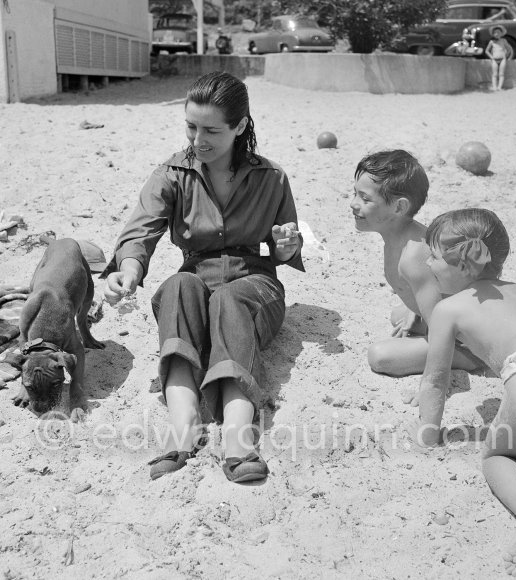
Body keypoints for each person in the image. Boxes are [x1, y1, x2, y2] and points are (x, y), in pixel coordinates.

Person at [102, 71, 304, 483]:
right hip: (197, 277)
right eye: (191, 126)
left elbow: (280, 249)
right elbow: (141, 232)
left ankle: (237, 438)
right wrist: (128, 270)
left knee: (230, 300)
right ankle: (184, 425)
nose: (198, 139)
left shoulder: (273, 178)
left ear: (240, 126)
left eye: (211, 130)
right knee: (176, 285)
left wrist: (283, 249)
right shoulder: (171, 174)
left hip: (254, 284)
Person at [409, 208, 516, 579]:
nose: (428, 262)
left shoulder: (449, 308)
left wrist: (428, 430)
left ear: (464, 266)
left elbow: (435, 380)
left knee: (499, 456)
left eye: (435, 256)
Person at [350, 149, 483, 378]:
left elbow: (442, 327)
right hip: (449, 318)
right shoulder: (401, 237)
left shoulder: (413, 257)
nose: (353, 204)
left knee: (380, 356)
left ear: (399, 207)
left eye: (365, 198)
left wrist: (431, 384)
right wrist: (418, 309)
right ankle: (427, 324)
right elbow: (432, 292)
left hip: (466, 334)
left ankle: (468, 358)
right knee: (399, 315)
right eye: (354, 194)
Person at [485, 25, 514, 91]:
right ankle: (494, 87)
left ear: (501, 34)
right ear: (493, 34)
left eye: (498, 32)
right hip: (494, 60)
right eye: (495, 32)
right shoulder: (491, 42)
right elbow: (486, 51)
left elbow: (509, 49)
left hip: (503, 59)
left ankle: (499, 87)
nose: (497, 34)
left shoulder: (504, 40)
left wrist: (506, 56)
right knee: (494, 74)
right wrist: (491, 57)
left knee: (501, 74)